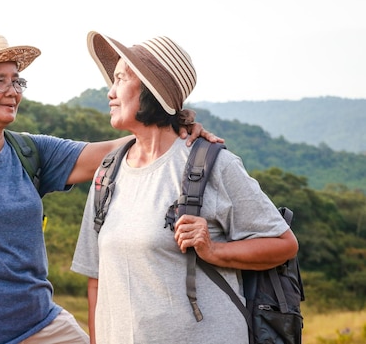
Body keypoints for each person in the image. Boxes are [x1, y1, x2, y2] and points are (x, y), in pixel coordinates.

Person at [0, 33, 218, 344]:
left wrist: (174, 126)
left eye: (16, 80)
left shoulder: (30, 151)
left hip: (41, 322)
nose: (13, 91)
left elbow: (110, 152)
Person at [71, 31, 299, 344]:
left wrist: (213, 250)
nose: (110, 92)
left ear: (151, 91)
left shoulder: (212, 165)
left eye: (121, 79)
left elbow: (283, 244)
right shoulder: (107, 173)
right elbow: (96, 280)